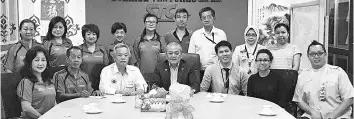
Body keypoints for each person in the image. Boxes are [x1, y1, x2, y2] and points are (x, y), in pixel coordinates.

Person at [293, 40, 354, 119]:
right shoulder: (302, 75)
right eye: (312, 54)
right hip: (312, 116)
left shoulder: (338, 72)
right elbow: (298, 100)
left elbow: (349, 98)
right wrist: (312, 112)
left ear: (325, 54)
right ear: (308, 56)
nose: (316, 56)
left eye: (319, 53)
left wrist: (332, 116)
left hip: (338, 116)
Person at [188, 7, 227, 79]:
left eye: (209, 17)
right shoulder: (196, 35)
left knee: (216, 90)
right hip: (199, 72)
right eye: (203, 17)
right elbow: (191, 55)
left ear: (214, 18)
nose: (206, 19)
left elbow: (225, 54)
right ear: (201, 19)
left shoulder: (221, 34)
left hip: (217, 72)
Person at [17, 46, 55, 118]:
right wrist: (42, 118)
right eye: (37, 60)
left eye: (43, 60)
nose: (40, 64)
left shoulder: (49, 81)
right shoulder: (26, 82)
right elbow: (26, 107)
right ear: (29, 63)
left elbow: (53, 103)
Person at [132, 13, 166, 82]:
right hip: (142, 75)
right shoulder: (138, 40)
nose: (151, 24)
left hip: (158, 75)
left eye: (153, 22)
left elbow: (164, 58)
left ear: (156, 24)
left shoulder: (161, 40)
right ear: (144, 23)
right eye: (148, 22)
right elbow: (135, 59)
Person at [79, 24, 109, 90]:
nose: (91, 36)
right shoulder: (79, 49)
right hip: (82, 84)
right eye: (88, 34)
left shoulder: (102, 49)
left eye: (94, 34)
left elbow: (106, 68)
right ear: (84, 35)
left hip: (99, 85)